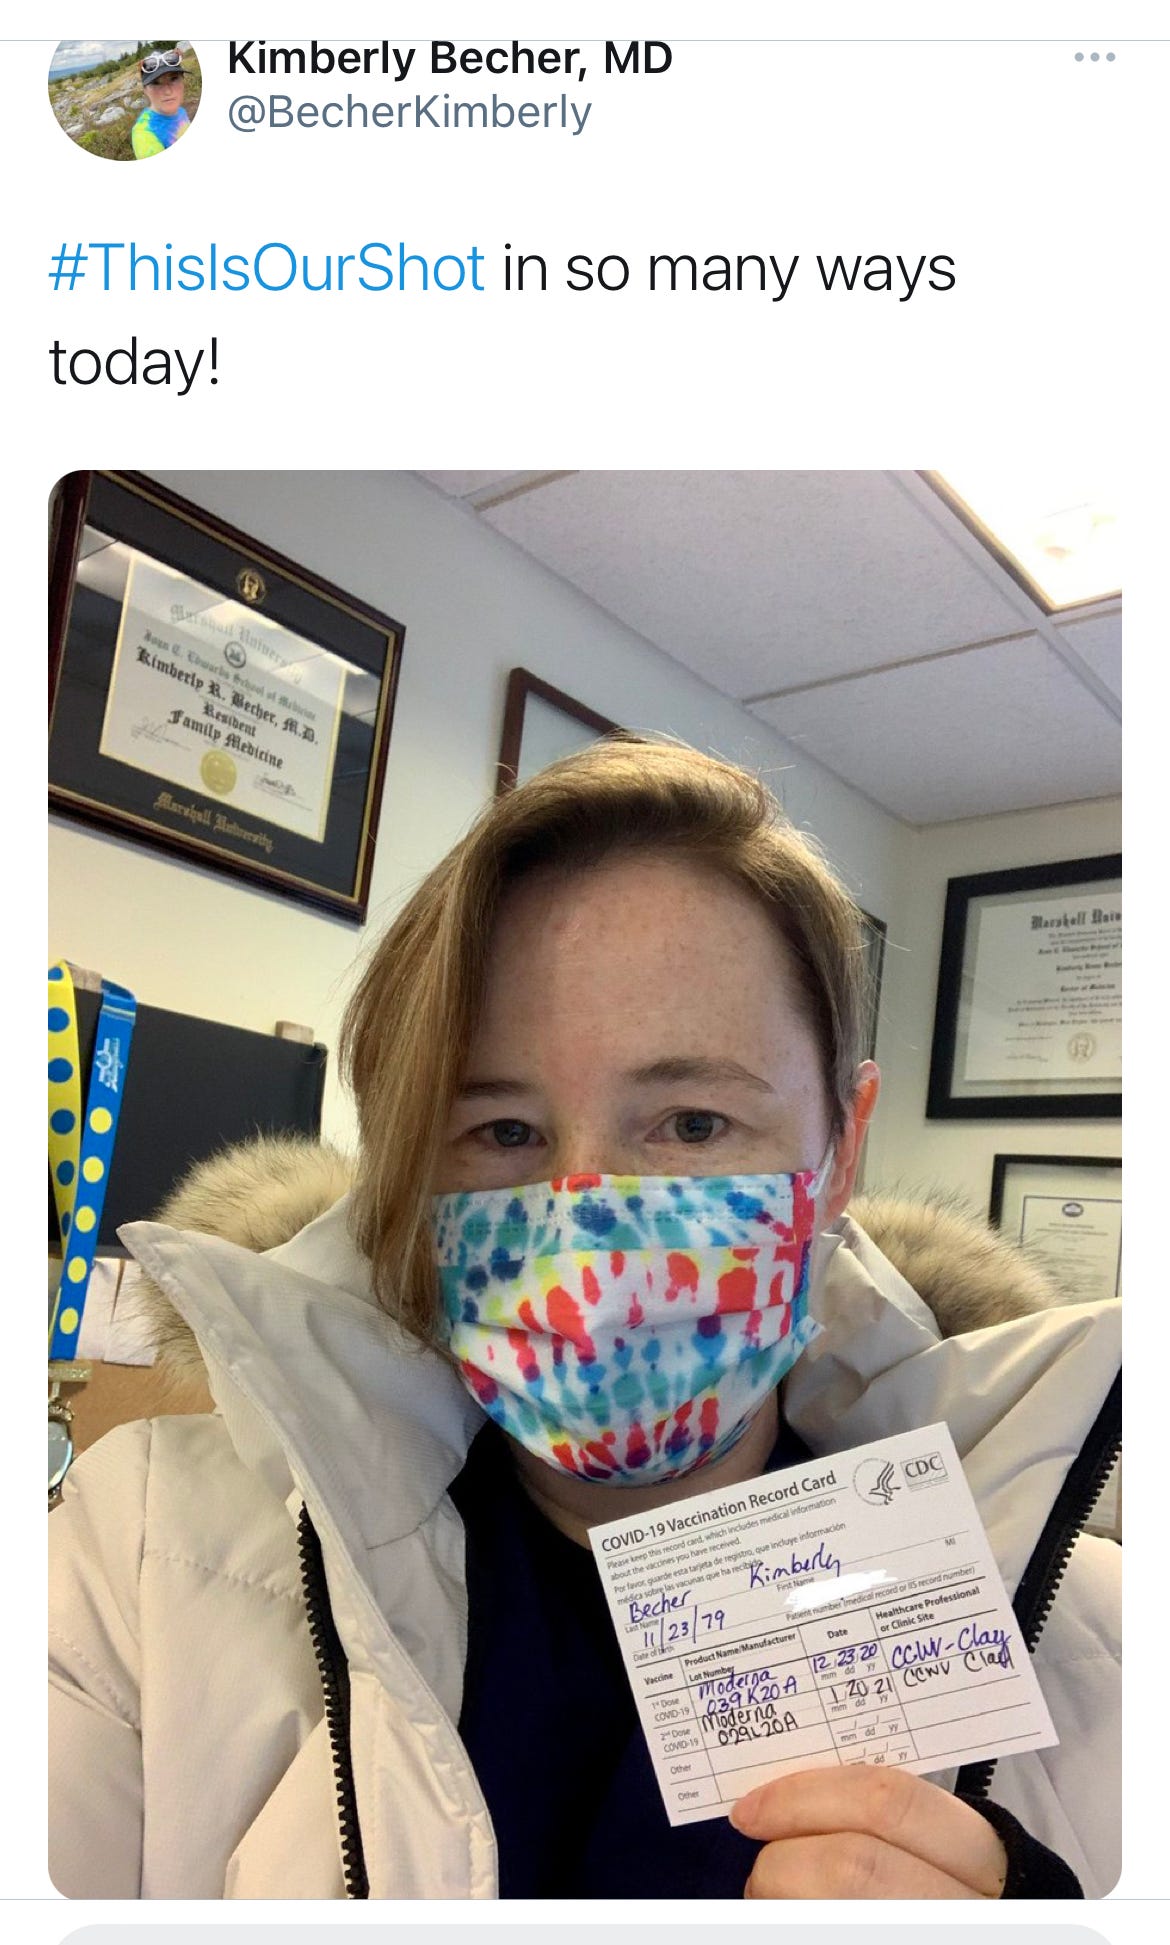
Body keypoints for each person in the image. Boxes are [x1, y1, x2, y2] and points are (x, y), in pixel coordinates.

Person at [48, 740, 1120, 1899]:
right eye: (503, 1132)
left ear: (840, 1149)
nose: (588, 1236)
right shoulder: (146, 1561)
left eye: (693, 1123)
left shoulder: (1098, 1638)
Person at [130, 49, 191, 159]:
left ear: (183, 80)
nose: (168, 91)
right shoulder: (144, 134)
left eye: (173, 79)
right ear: (145, 90)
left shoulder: (180, 111)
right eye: (156, 83)